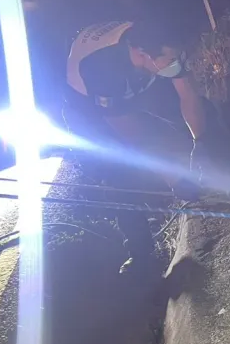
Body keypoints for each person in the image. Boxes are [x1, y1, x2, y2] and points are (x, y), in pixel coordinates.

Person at [62, 20, 208, 272]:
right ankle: (141, 254)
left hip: (134, 84)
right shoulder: (102, 68)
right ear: (142, 54)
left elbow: (188, 96)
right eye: (170, 60)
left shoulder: (159, 43)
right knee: (119, 173)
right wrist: (174, 180)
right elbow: (134, 138)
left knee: (195, 121)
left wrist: (201, 143)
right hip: (88, 111)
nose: (176, 64)